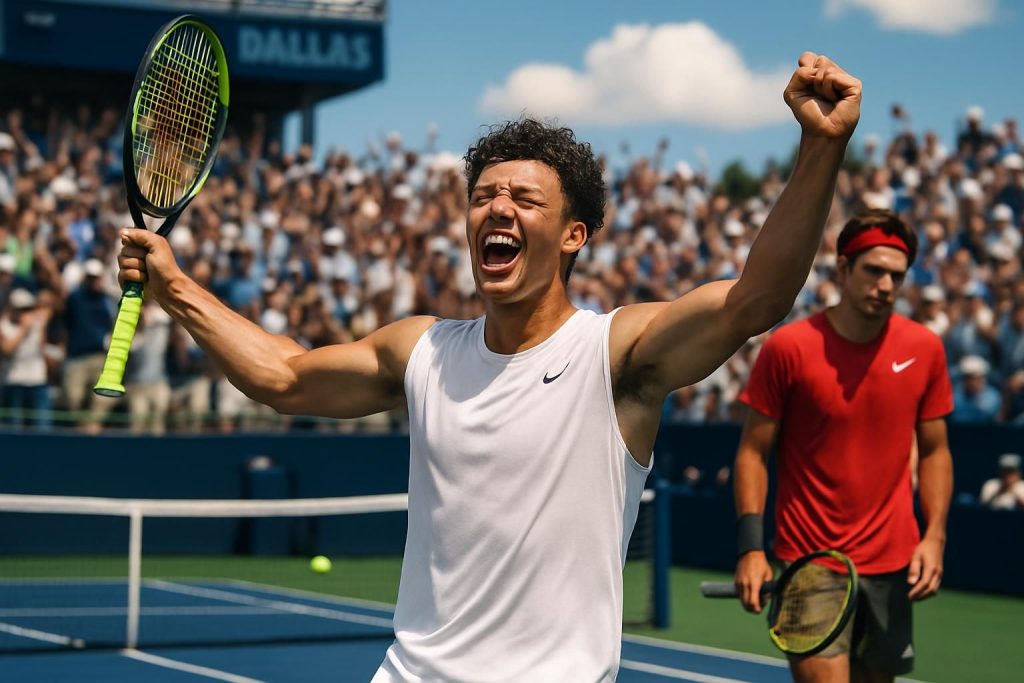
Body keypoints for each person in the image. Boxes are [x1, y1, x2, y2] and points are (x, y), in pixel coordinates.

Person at [117, 52, 861, 681]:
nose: (498, 207)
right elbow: (283, 377)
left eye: (523, 198)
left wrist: (820, 146)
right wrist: (176, 288)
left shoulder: (615, 355)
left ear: (573, 235)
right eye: (483, 197)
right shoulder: (422, 350)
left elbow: (756, 298)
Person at [732, 208, 954, 683]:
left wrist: (934, 537)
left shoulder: (926, 350)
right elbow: (752, 453)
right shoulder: (789, 348)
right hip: (810, 564)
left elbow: (936, 452)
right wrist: (751, 548)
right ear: (843, 269)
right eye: (873, 270)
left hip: (894, 566)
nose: (886, 285)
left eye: (896, 275)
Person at [0, 288, 52, 429]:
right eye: (22, 309)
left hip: (37, 382)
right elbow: (7, 350)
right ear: (12, 309)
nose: (26, 313)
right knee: (13, 429)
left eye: (29, 309)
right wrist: (24, 329)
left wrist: (41, 326)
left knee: (42, 428)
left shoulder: (38, 324)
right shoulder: (3, 325)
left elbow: (42, 347)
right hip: (13, 383)